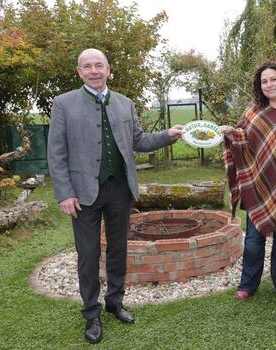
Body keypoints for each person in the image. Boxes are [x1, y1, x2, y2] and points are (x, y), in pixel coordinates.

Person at [47, 48, 183, 344]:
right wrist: (64, 194)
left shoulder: (125, 103)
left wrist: (168, 135)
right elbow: (56, 153)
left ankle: (115, 302)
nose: (94, 70)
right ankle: (91, 312)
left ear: (109, 69)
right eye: (88, 66)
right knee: (88, 254)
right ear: (79, 71)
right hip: (83, 194)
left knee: (118, 249)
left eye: (99, 65)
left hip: (120, 189)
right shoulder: (63, 104)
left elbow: (139, 140)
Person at [219, 61, 276, 301]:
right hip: (258, 185)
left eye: (273, 79)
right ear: (259, 86)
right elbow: (241, 139)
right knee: (253, 240)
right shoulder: (253, 112)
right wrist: (232, 133)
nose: (269, 84)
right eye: (264, 81)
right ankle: (248, 284)